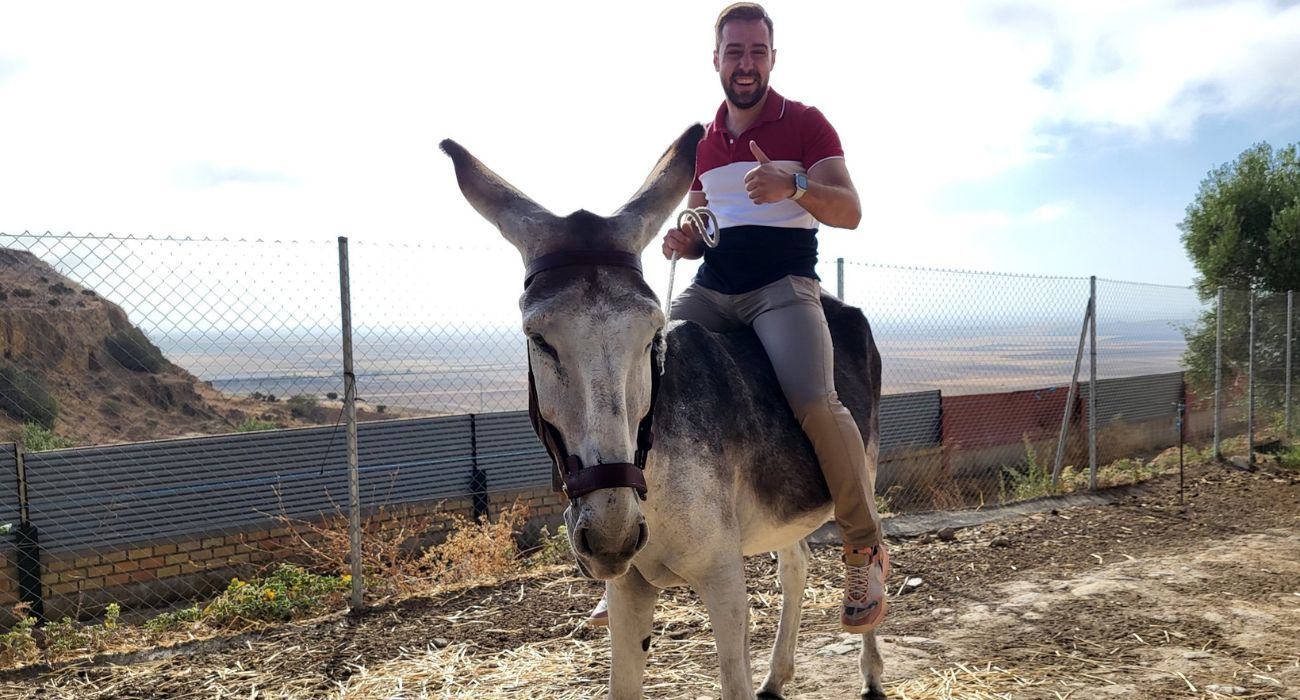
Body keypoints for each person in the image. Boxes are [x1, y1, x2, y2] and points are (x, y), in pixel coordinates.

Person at [590, 2, 888, 634]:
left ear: (772, 58)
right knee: (645, 371)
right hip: (713, 291)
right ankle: (633, 548)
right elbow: (707, 223)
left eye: (757, 51)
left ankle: (864, 549)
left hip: (781, 289)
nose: (745, 63)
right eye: (735, 52)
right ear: (716, 60)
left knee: (815, 400)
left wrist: (794, 186)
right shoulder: (706, 141)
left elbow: (851, 211)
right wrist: (686, 240)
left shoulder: (806, 123)